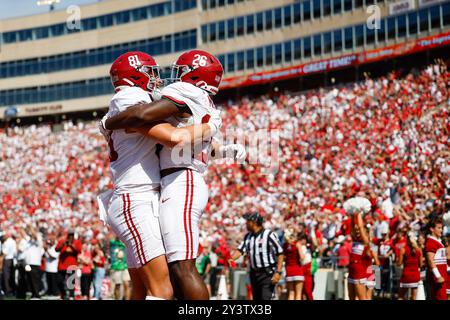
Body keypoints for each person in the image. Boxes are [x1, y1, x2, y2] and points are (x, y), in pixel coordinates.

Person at [104, 49, 244, 300]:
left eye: (182, 72)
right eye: (151, 73)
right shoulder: (201, 101)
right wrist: (218, 140)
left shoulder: (186, 92)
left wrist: (109, 121)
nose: (165, 77)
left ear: (195, 76)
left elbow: (159, 128)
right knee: (170, 272)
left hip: (179, 181)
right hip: (168, 183)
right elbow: (200, 144)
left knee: (181, 267)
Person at [229, 212, 284, 300]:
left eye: (248, 221)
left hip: (267, 273)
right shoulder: (248, 236)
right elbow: (240, 250)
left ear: (254, 222)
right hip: (254, 273)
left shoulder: (269, 235)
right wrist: (231, 259)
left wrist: (278, 272)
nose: (246, 223)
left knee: (265, 298)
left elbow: (280, 253)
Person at [424, 217, 447, 300]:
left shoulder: (438, 241)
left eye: (442, 228)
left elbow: (442, 261)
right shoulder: (431, 242)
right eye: (439, 228)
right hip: (437, 279)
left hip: (443, 277)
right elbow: (430, 260)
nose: (441, 230)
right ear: (432, 229)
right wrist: (438, 276)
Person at [55, 229, 82, 300]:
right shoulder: (62, 241)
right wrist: (63, 244)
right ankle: (63, 294)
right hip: (62, 265)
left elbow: (79, 251)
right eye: (70, 235)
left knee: (71, 282)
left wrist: (71, 245)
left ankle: (71, 296)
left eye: (72, 235)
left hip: (72, 265)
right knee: (59, 281)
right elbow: (56, 249)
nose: (71, 236)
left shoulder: (77, 242)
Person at [398, 233, 422, 300]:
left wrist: (398, 261)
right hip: (415, 275)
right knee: (414, 297)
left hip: (406, 275)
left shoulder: (403, 249)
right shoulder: (419, 250)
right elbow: (421, 264)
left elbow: (399, 263)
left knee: (401, 296)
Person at [23, 225, 44, 299]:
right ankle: (33, 294)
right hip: (29, 263)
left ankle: (37, 295)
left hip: (34, 263)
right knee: (29, 279)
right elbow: (24, 234)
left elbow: (34, 235)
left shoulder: (38, 237)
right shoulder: (29, 240)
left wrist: (31, 228)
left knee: (34, 280)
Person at [283, 228, 304, 300]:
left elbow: (283, 257)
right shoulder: (297, 244)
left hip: (289, 269)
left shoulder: (285, 245)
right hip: (297, 269)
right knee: (298, 294)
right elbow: (302, 257)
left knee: (291, 293)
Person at [299, 233, 314, 300]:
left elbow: (315, 248)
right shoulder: (298, 247)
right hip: (301, 268)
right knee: (301, 291)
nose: (303, 240)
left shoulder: (309, 247)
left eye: (304, 239)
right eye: (301, 239)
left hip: (308, 268)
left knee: (308, 290)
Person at [1, 231, 16, 297]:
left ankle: (8, 291)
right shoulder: (12, 241)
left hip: (7, 260)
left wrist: (1, 260)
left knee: (6, 276)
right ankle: (11, 290)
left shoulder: (7, 242)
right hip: (12, 259)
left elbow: (5, 253)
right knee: (11, 276)